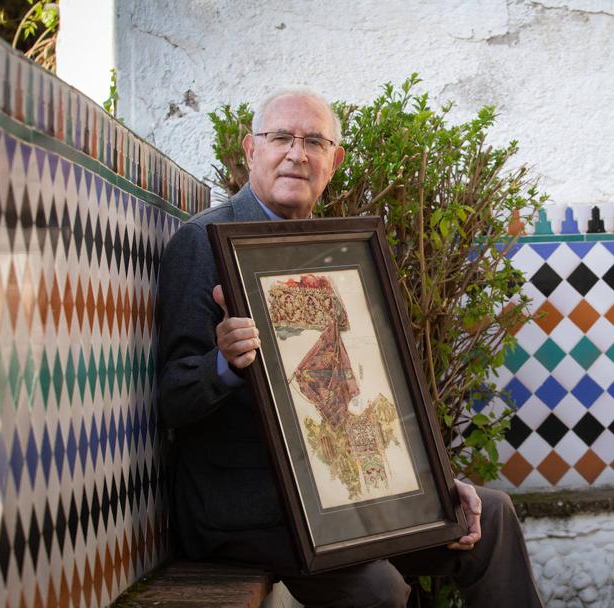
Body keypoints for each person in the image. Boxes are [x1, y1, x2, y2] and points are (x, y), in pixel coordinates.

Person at [155, 89, 543, 608]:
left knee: (486, 514)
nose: (297, 153)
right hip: (243, 506)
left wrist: (432, 485)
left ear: (333, 162)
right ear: (250, 151)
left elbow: (361, 387)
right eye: (281, 138)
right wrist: (224, 363)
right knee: (377, 587)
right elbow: (173, 397)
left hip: (335, 489)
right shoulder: (201, 242)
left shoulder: (336, 257)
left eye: (314, 141)